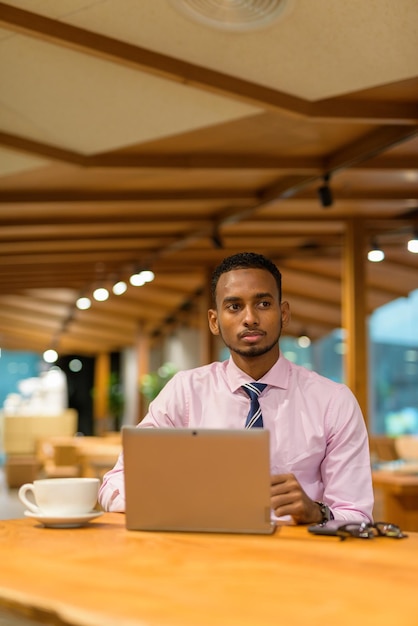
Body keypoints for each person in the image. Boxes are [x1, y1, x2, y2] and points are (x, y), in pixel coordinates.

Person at [99, 252, 374, 524]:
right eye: (234, 307)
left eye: (264, 304)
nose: (250, 318)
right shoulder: (185, 392)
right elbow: (116, 483)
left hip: (296, 556)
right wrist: (174, 499)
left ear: (284, 313)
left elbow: (357, 515)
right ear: (214, 321)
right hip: (203, 550)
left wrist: (317, 512)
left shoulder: (332, 402)